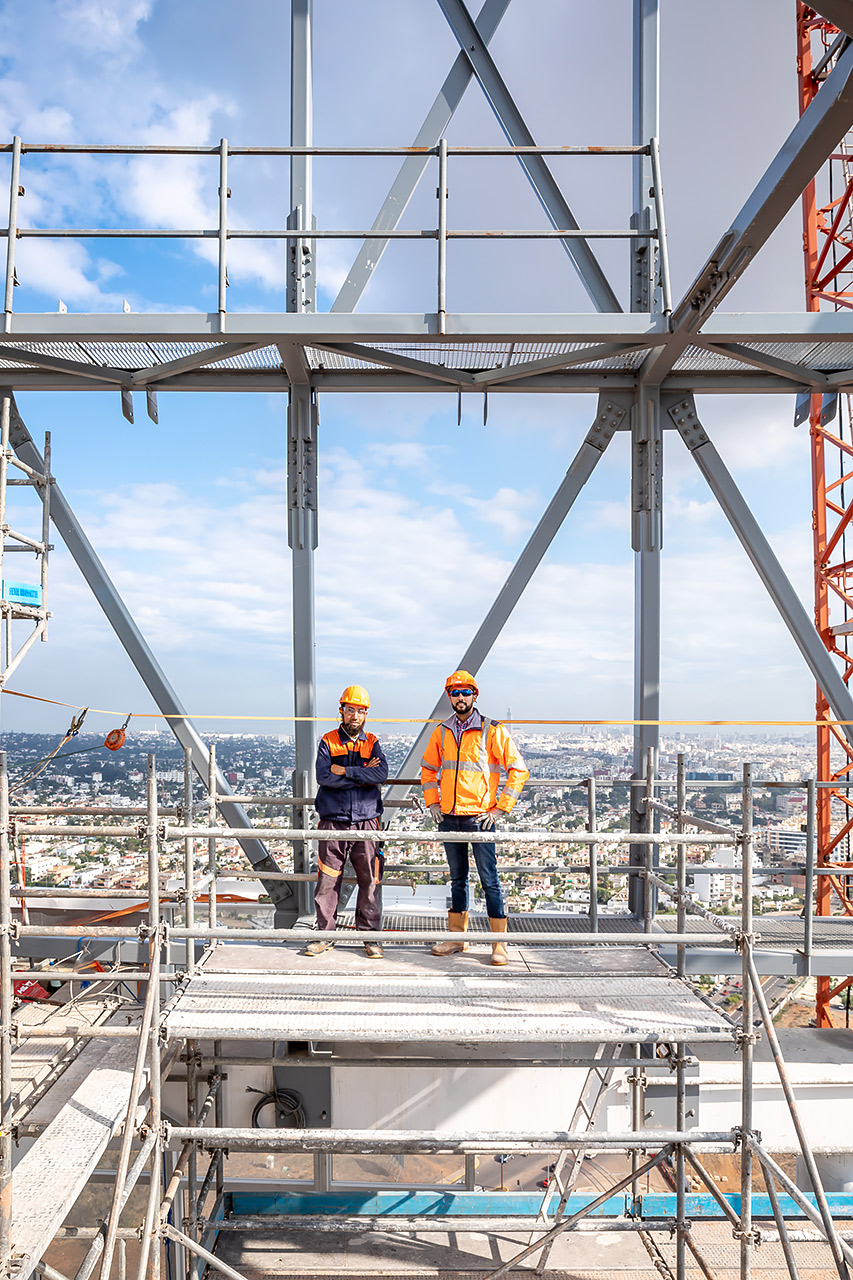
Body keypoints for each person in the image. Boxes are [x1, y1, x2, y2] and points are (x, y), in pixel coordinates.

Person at [420, 670, 528, 966]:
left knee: (489, 880)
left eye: (465, 692)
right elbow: (428, 769)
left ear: (474, 695)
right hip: (449, 817)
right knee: (457, 879)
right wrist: (433, 803)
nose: (460, 697)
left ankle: (499, 944)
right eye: (455, 693)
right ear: (449, 697)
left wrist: (500, 808)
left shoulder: (492, 730)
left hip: (480, 818)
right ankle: (457, 938)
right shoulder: (441, 731)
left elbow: (518, 770)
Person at [306, 684, 389, 958]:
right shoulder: (328, 741)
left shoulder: (372, 742)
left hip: (367, 821)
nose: (355, 716)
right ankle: (325, 936)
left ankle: (370, 938)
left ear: (366, 715)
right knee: (328, 881)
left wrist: (345, 771)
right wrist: (362, 774)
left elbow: (381, 775)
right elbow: (323, 777)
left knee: (370, 881)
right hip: (334, 821)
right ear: (341, 710)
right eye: (350, 710)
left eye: (360, 711)